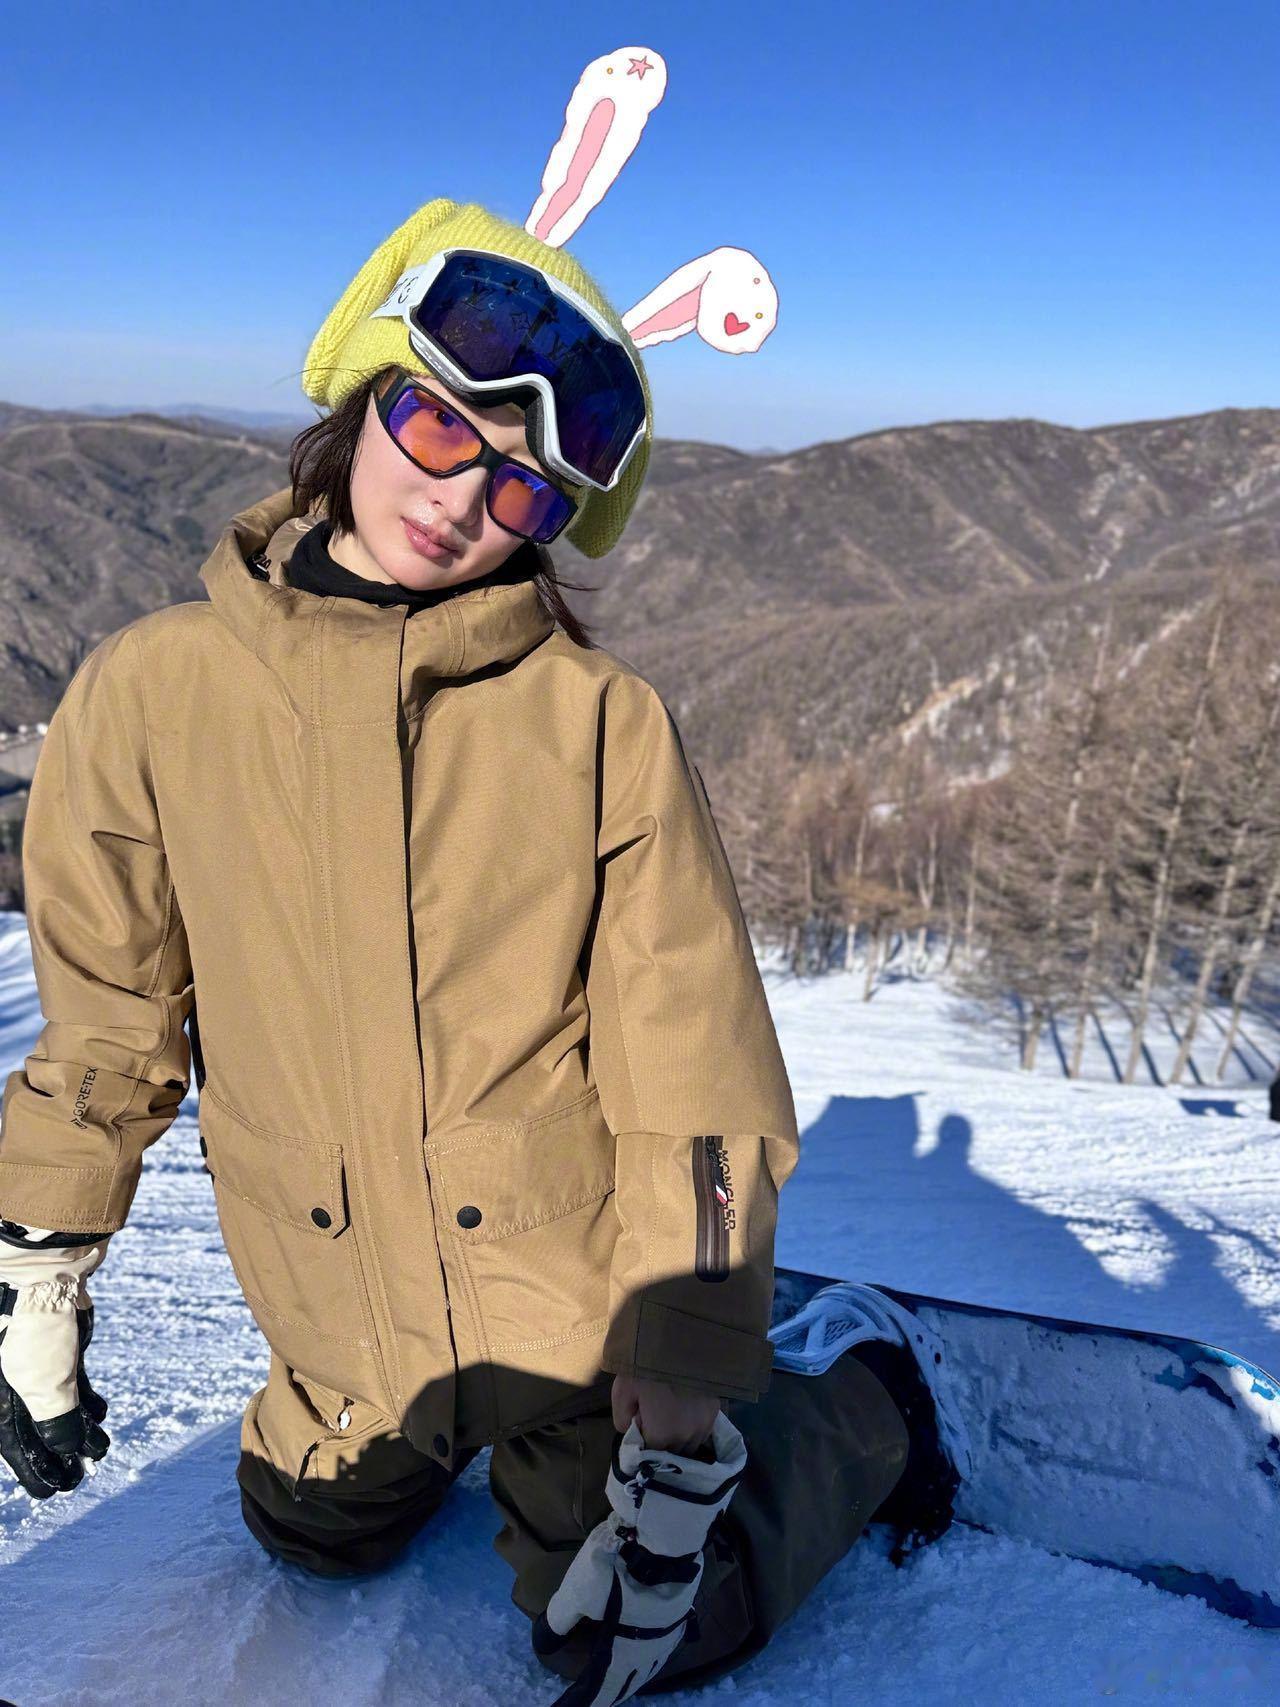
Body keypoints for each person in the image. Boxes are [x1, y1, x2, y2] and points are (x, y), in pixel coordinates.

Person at [0, 202, 918, 1701]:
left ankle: (864, 1391)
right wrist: (38, 1261)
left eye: (520, 487)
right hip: (340, 1309)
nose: (459, 500)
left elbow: (687, 1053)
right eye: (437, 427)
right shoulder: (154, 691)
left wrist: (682, 1365)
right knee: (308, 1536)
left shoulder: (591, 722)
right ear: (361, 400)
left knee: (640, 1627)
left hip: (566, 1309)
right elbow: (109, 1016)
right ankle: (406, 1432)